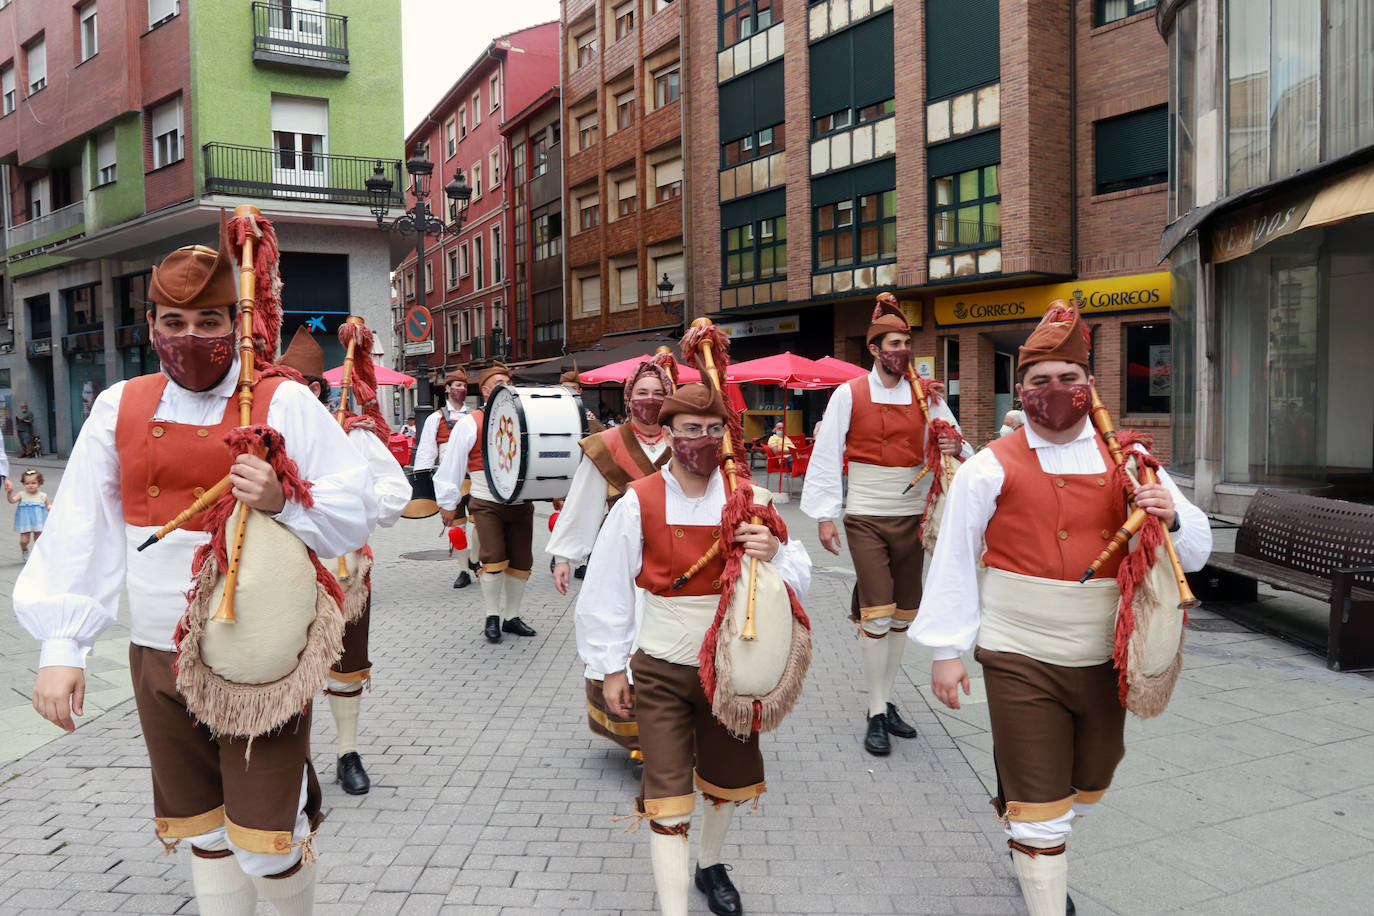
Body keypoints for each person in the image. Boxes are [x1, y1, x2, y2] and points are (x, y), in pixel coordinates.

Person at [12, 227, 377, 915]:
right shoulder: (119, 404)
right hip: (158, 653)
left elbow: (357, 508)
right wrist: (62, 647)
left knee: (266, 842)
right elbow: (81, 528)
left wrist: (281, 498)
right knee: (204, 832)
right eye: (173, 322)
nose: (189, 336)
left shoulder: (282, 399)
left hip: (258, 657)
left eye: (208, 321)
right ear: (150, 325)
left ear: (238, 324)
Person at [911, 300, 1211, 916]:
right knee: (1045, 812)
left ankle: (1026, 814)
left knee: (1089, 782)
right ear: (1021, 391)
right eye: (1040, 382)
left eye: (1068, 379)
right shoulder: (988, 467)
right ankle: (1040, 866)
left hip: (1102, 654)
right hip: (1017, 650)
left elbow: (1199, 552)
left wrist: (1171, 514)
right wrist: (947, 652)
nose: (1055, 392)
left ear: (1089, 385)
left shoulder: (1130, 463)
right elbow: (953, 560)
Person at [576, 382, 812, 916]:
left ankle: (709, 862)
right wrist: (611, 669)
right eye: (689, 430)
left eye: (713, 429)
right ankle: (673, 908)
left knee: (725, 782)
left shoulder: (752, 500)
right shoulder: (639, 501)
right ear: (670, 434)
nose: (702, 440)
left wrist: (773, 552)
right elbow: (606, 590)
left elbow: (803, 581)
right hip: (659, 666)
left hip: (733, 671)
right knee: (665, 793)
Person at [800, 293, 972, 756]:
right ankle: (876, 710)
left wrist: (954, 447)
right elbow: (827, 453)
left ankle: (887, 700)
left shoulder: (926, 394)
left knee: (901, 613)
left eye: (905, 342)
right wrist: (823, 516)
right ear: (874, 349)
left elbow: (958, 444)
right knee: (877, 609)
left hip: (914, 515)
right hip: (866, 515)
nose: (901, 350)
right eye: (892, 342)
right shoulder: (849, 393)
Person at [278, 326, 410, 797]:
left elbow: (395, 493)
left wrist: (353, 506)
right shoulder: (265, 436)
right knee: (288, 667)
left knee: (347, 664)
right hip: (283, 575)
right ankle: (297, 760)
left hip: (345, 572)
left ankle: (347, 752)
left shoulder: (353, 436)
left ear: (313, 390)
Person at [549, 358, 673, 757]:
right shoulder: (609, 444)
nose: (650, 401)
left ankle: (672, 728)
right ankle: (636, 736)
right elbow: (583, 500)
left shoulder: (684, 437)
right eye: (642, 393)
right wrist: (566, 554)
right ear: (628, 398)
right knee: (624, 633)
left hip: (677, 556)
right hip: (622, 556)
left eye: (658, 393)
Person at [435, 362, 538, 643]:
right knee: (492, 558)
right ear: (485, 391)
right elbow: (453, 464)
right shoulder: (471, 422)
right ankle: (492, 615)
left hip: (520, 502)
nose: (506, 387)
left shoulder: (527, 418)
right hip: (486, 500)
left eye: (509, 382)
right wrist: (447, 502)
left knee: (521, 561)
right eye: (499, 383)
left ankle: (511, 617)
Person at [415, 369, 477, 588]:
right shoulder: (435, 418)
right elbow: (426, 450)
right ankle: (463, 570)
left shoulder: (474, 417)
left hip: (475, 476)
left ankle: (475, 560)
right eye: (457, 385)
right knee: (456, 526)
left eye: (464, 386)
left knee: (480, 522)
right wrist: (423, 484)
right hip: (450, 480)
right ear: (447, 389)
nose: (461, 389)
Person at [10, 468, 50, 560]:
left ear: (39, 483)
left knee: (38, 540)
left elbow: (48, 506)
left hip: (38, 521)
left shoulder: (42, 495)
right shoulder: (21, 494)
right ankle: (24, 549)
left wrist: (49, 507)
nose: (30, 485)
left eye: (33, 483)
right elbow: (12, 501)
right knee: (24, 541)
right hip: (25, 520)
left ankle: (37, 556)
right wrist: (9, 493)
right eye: (27, 483)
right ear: (23, 484)